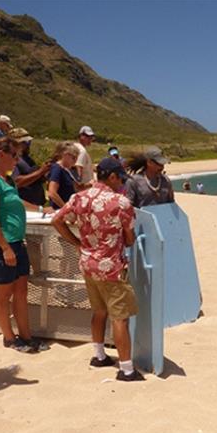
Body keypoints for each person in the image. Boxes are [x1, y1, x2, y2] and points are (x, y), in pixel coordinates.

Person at [51, 157, 143, 381]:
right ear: (112, 177)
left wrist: (76, 242)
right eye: (120, 178)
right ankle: (127, 369)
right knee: (120, 317)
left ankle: (99, 355)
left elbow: (57, 220)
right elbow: (129, 239)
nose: (122, 182)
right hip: (111, 267)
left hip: (87, 263)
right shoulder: (120, 203)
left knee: (99, 311)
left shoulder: (79, 197)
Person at [0, 137, 51, 354]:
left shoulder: (8, 180)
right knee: (4, 294)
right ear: (1, 154)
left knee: (21, 290)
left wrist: (40, 209)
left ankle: (26, 335)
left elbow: (16, 202)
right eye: (14, 156)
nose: (16, 160)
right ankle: (9, 338)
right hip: (3, 244)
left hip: (16, 243)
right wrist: (5, 248)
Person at [8, 127, 51, 206]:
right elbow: (16, 182)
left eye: (28, 142)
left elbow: (32, 176)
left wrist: (44, 172)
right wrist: (40, 172)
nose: (28, 144)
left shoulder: (27, 158)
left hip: (36, 203)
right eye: (25, 142)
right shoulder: (13, 160)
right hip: (24, 205)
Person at [48, 141, 83, 209]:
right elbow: (52, 193)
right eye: (73, 157)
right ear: (65, 155)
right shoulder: (57, 169)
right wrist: (65, 208)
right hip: (58, 210)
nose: (75, 160)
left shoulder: (66, 169)